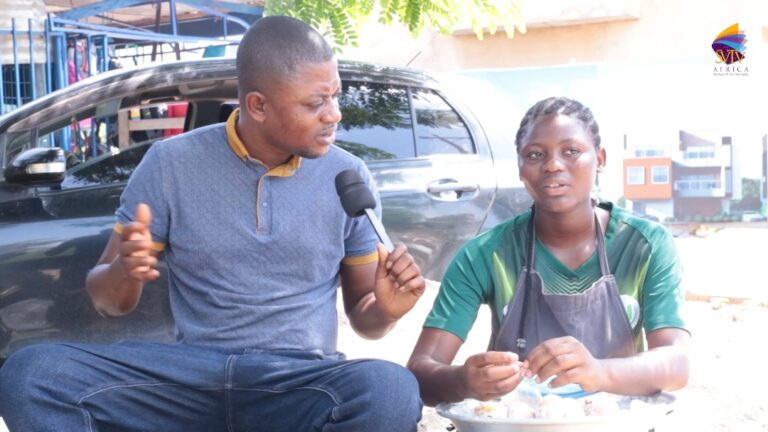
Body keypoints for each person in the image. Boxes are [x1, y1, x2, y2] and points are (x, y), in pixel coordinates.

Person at [0, 16, 426, 431]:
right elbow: (110, 304)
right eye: (316, 103)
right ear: (257, 105)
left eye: (335, 96)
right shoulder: (170, 164)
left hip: (298, 382)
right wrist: (125, 271)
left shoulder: (348, 174)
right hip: (188, 381)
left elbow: (366, 321)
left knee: (390, 390)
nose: (333, 115)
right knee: (32, 375)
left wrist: (386, 310)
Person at [407, 96, 690, 406]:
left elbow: (676, 364)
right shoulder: (484, 254)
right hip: (517, 422)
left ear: (600, 159)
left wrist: (599, 372)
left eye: (571, 151)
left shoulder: (644, 245)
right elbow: (419, 373)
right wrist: (462, 381)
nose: (553, 165)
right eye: (535, 154)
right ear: (519, 167)